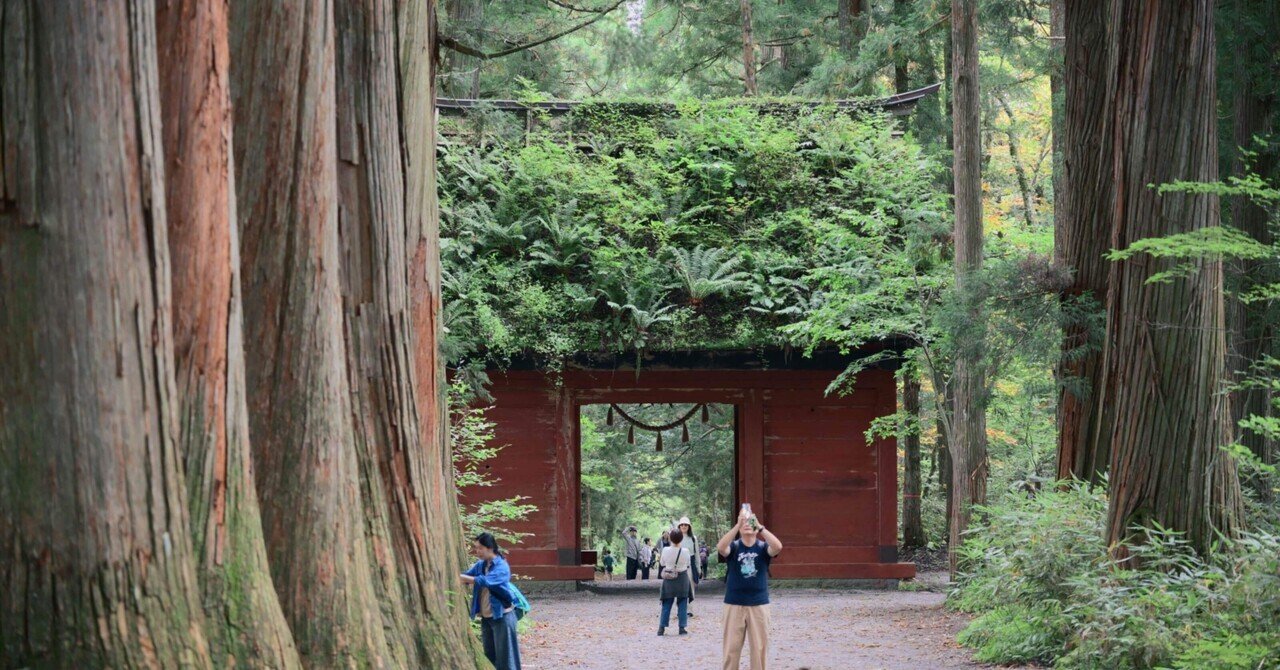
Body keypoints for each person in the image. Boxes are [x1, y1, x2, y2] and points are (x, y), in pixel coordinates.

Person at [717, 506, 783, 670]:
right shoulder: (734, 547)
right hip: (733, 604)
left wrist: (761, 527)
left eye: (750, 521)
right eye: (743, 521)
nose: (747, 524)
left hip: (759, 604)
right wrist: (737, 525)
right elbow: (720, 547)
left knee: (759, 650)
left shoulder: (762, 548)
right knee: (731, 650)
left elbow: (778, 547)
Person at [462, 532, 528, 670]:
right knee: (490, 657)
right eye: (476, 548)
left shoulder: (502, 566)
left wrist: (463, 578)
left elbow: (486, 582)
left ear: (490, 548)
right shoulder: (480, 565)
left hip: (502, 617)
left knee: (506, 660)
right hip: (487, 618)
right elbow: (467, 576)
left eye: (480, 548)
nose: (477, 551)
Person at [657, 529, 694, 636]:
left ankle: (661, 628)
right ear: (681, 538)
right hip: (682, 579)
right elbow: (687, 564)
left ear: (670, 538)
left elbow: (662, 563)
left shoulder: (665, 550)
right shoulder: (686, 551)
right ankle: (682, 628)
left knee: (666, 604)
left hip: (669, 579)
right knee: (682, 604)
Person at [676, 517, 700, 616]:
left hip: (690, 566)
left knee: (690, 588)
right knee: (679, 589)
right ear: (679, 526)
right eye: (682, 525)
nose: (684, 526)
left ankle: (690, 610)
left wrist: (698, 568)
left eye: (686, 525)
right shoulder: (676, 537)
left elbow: (697, 553)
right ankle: (680, 610)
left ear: (689, 526)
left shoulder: (693, 538)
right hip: (679, 566)